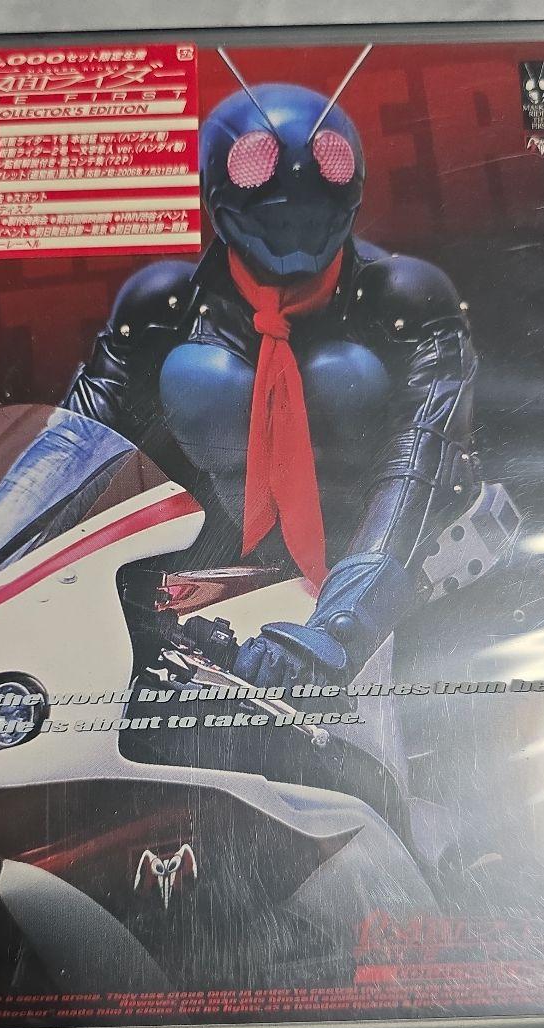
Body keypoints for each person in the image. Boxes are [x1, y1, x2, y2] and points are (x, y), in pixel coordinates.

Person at [64, 62, 479, 689]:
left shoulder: (402, 301)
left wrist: (336, 632)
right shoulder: (165, 308)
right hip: (240, 602)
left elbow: (422, 464)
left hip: (422, 597)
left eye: (318, 186)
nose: (293, 220)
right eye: (263, 179)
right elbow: (71, 457)